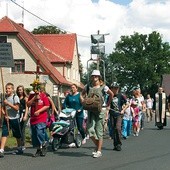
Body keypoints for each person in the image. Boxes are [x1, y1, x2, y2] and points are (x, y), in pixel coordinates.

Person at [81, 70, 113, 158]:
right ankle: (97, 145)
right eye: (93, 76)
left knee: (99, 131)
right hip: (90, 110)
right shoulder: (88, 86)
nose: (94, 77)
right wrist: (83, 101)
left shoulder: (104, 87)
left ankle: (99, 150)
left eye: (96, 76)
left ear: (99, 77)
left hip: (100, 111)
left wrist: (107, 104)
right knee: (90, 130)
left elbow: (111, 94)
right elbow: (82, 94)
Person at [27, 80, 50, 157]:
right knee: (34, 135)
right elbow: (28, 104)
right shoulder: (31, 96)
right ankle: (38, 149)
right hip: (33, 118)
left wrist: (39, 111)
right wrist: (33, 98)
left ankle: (44, 143)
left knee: (39, 132)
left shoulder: (43, 96)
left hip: (41, 117)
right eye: (34, 87)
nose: (35, 89)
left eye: (37, 87)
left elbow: (47, 105)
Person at [0, 82, 23, 158]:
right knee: (4, 133)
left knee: (17, 134)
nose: (7, 90)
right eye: (6, 88)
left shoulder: (15, 97)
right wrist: (4, 114)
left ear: (12, 89)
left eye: (9, 88)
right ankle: (1, 150)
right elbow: (2, 108)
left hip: (15, 118)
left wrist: (8, 103)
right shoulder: (5, 97)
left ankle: (19, 148)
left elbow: (17, 108)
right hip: (7, 118)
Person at [109, 82, 128, 151]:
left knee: (118, 128)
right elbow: (107, 105)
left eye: (117, 88)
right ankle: (115, 144)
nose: (116, 89)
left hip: (119, 114)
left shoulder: (121, 95)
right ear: (111, 89)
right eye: (114, 88)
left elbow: (127, 104)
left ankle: (119, 144)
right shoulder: (109, 96)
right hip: (112, 114)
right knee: (113, 129)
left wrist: (123, 110)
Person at [16, 85, 29, 150]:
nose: (19, 91)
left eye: (20, 90)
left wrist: (25, 115)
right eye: (18, 90)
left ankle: (23, 144)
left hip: (24, 113)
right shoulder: (17, 98)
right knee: (19, 129)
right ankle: (19, 144)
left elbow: (27, 107)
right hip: (19, 114)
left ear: (23, 90)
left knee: (22, 128)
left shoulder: (25, 98)